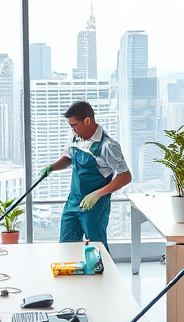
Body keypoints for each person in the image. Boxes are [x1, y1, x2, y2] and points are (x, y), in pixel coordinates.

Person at [40, 101, 131, 248]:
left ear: (87, 121)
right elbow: (68, 158)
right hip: (73, 202)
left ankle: (104, 271)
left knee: (97, 249)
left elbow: (125, 176)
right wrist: (51, 167)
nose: (72, 129)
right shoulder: (75, 138)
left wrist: (97, 195)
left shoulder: (107, 145)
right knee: (66, 247)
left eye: (74, 125)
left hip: (94, 206)